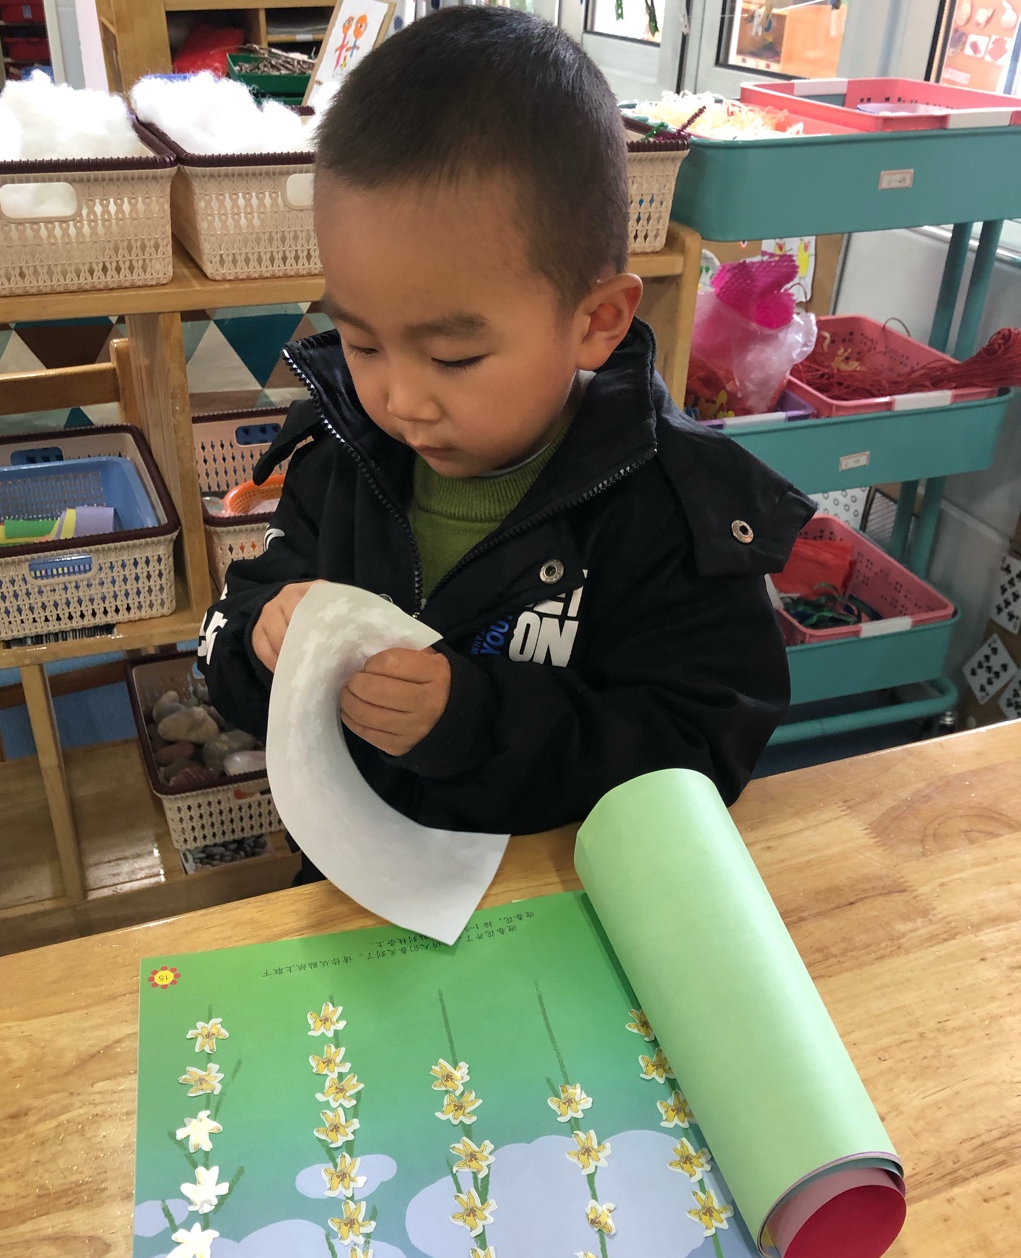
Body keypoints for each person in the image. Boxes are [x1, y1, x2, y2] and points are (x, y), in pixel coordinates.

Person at [198, 6, 814, 842]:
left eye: (453, 358)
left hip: (558, 888)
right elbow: (227, 648)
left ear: (596, 322)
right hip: (356, 877)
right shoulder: (342, 454)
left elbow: (702, 750)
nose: (402, 400)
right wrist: (262, 644)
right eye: (362, 342)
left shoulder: (676, 514)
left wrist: (474, 721)